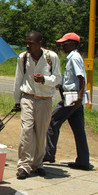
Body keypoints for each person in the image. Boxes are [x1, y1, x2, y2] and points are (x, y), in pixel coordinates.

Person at [13, 31, 61, 179]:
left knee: (41, 133)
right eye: (26, 42)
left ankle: (37, 164)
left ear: (40, 43)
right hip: (28, 98)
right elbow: (18, 79)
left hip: (45, 99)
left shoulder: (51, 57)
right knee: (27, 131)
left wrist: (44, 80)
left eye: (31, 43)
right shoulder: (22, 58)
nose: (28, 46)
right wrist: (16, 100)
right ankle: (24, 165)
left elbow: (58, 78)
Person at [44, 33, 92, 170]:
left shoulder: (75, 58)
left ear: (73, 44)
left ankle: (49, 154)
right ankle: (83, 160)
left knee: (52, 122)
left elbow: (81, 78)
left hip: (72, 99)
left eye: (65, 43)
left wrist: (79, 97)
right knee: (79, 130)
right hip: (74, 99)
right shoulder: (72, 57)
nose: (63, 46)